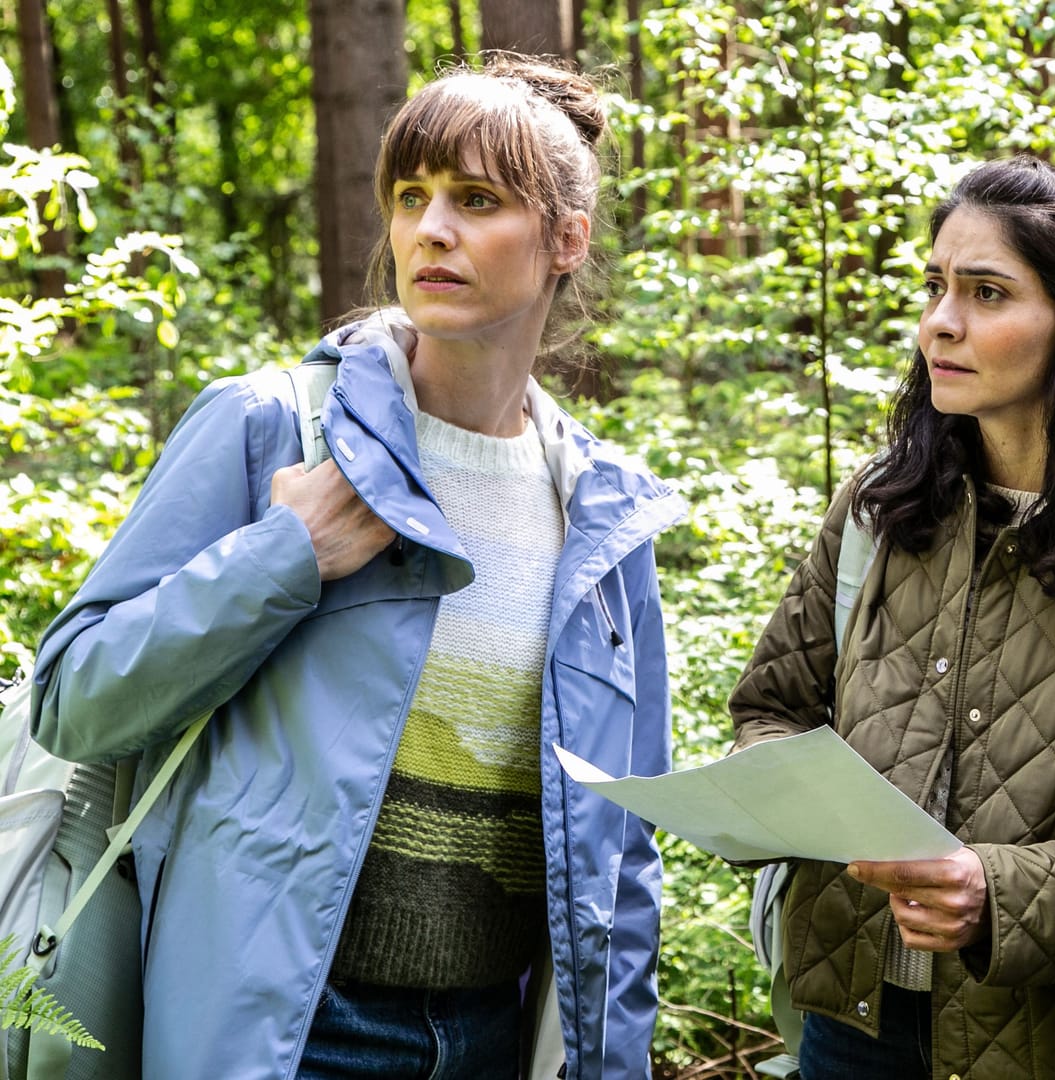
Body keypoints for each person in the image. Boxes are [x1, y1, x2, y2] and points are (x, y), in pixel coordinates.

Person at [29, 56, 683, 1080]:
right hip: (289, 1036)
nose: (432, 228)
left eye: (477, 200)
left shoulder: (602, 519)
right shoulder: (271, 428)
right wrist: (281, 557)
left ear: (566, 240)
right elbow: (74, 698)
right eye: (411, 196)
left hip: (495, 1042)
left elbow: (624, 852)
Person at [728, 156, 1055, 1079]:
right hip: (858, 1028)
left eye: (987, 293)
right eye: (935, 286)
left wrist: (997, 896)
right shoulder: (881, 509)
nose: (941, 324)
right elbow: (775, 704)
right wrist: (766, 783)